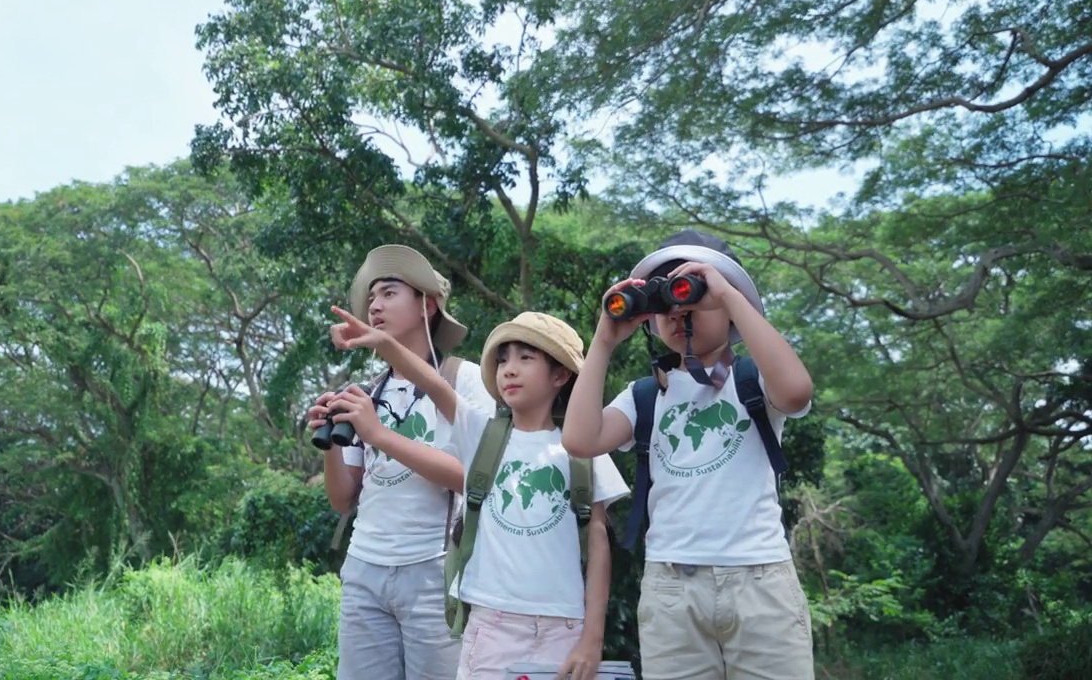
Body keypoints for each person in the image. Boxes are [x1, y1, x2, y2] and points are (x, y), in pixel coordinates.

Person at [561, 230, 815, 680]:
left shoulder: (754, 380)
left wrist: (727, 294)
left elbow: (795, 393)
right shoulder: (645, 395)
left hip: (759, 581)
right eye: (666, 301)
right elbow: (580, 440)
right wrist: (603, 340)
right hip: (672, 587)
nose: (679, 311)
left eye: (691, 294)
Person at [330, 306, 630, 680]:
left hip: (564, 627)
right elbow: (437, 385)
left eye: (526, 357)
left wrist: (592, 639)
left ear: (560, 374)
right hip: (491, 625)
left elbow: (599, 539)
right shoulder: (482, 435)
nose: (510, 369)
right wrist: (385, 343)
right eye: (503, 359)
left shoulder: (583, 448)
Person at [308, 244, 496, 680]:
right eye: (372, 297)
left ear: (427, 304)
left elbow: (477, 477)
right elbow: (342, 500)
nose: (375, 305)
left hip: (433, 571)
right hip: (363, 569)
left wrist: (379, 435)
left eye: (389, 293)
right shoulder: (367, 392)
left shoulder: (463, 379)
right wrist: (330, 442)